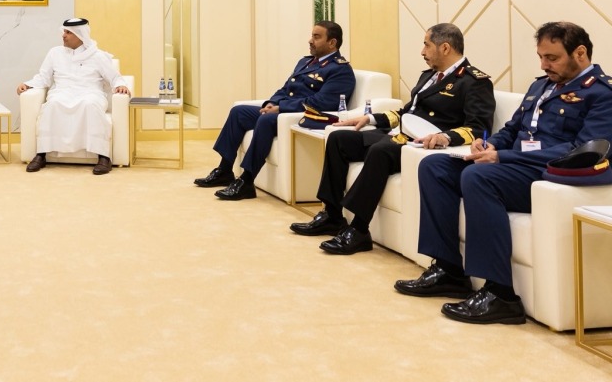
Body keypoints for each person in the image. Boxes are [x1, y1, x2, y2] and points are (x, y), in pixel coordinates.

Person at [394, 22, 612, 324]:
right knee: (435, 166)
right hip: (511, 165)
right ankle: (448, 271)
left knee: (478, 177)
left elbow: (581, 150)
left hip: (546, 175)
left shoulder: (601, 94)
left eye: (552, 58)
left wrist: (502, 156)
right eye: (541, 57)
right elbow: (512, 129)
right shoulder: (541, 86)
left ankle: (500, 295)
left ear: (580, 53)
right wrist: (489, 144)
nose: (544, 65)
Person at [290, 23, 495, 255]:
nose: (422, 52)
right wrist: (370, 118)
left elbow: (478, 128)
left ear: (445, 48)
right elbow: (407, 112)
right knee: (339, 139)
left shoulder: (474, 81)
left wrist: (444, 137)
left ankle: (358, 230)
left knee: (381, 150)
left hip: (423, 145)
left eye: (427, 45)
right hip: (400, 136)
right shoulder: (429, 76)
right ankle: (332, 215)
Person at [194, 21, 355, 200]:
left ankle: (246, 181)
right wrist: (271, 103)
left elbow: (321, 103)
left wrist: (281, 108)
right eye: (311, 36)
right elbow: (286, 89)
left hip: (306, 117)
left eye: (316, 37)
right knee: (238, 112)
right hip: (284, 110)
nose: (310, 41)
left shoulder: (340, 70)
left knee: (266, 120)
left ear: (332, 42)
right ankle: (224, 170)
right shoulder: (305, 62)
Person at [16, 17, 132, 175]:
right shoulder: (55, 53)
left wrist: (120, 85)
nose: (63, 35)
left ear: (80, 35)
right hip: (62, 92)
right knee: (52, 104)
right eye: (64, 31)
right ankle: (41, 155)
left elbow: (114, 77)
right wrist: (28, 84)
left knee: (89, 105)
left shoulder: (97, 56)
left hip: (90, 93)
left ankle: (103, 157)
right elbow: (43, 77)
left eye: (68, 32)